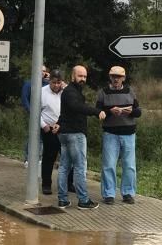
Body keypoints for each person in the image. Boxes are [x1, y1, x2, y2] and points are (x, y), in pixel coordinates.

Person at [57, 65, 100, 209]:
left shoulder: (72, 91)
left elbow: (65, 112)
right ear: (72, 76)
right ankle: (83, 200)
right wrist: (96, 111)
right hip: (75, 134)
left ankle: (63, 200)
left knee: (64, 167)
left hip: (65, 134)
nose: (83, 79)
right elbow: (76, 107)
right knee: (79, 167)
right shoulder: (71, 92)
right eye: (80, 76)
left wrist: (58, 124)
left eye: (85, 77)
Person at [97, 66, 141, 204]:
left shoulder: (130, 91)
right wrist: (110, 111)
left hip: (129, 133)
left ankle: (128, 193)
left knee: (129, 165)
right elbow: (97, 111)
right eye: (113, 76)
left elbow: (138, 111)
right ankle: (109, 194)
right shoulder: (103, 92)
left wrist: (131, 112)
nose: (116, 79)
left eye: (119, 76)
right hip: (110, 132)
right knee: (109, 164)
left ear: (123, 78)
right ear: (110, 77)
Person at [39, 69, 65, 195]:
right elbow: (35, 111)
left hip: (63, 128)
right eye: (54, 82)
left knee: (67, 157)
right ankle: (46, 184)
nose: (56, 85)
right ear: (49, 81)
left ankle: (68, 184)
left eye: (59, 83)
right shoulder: (42, 92)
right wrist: (43, 125)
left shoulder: (65, 92)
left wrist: (65, 88)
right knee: (49, 157)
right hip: (48, 128)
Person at [21, 64, 49, 167]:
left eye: (44, 71)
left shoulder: (47, 84)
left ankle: (39, 159)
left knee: (42, 137)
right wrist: (31, 112)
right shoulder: (28, 84)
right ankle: (27, 159)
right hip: (32, 114)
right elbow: (24, 100)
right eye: (40, 70)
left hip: (44, 115)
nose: (42, 72)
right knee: (32, 135)